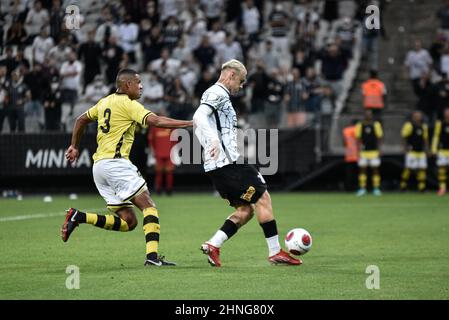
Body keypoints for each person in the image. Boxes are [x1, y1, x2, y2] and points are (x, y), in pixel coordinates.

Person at [61, 69, 193, 267]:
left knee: (129, 222)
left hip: (99, 168)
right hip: (116, 164)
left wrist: (74, 146)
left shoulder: (104, 102)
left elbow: (81, 120)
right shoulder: (129, 104)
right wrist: (191, 123)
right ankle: (152, 258)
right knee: (149, 206)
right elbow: (156, 121)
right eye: (138, 82)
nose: (141, 86)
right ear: (126, 85)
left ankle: (78, 216)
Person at [192, 59, 301, 267]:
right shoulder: (218, 92)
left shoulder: (215, 95)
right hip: (228, 164)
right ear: (231, 75)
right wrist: (213, 140)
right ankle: (275, 252)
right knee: (263, 197)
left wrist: (210, 138)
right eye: (240, 81)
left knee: (246, 210)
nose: (241, 86)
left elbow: (201, 120)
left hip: (218, 166)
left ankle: (213, 245)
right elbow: (199, 116)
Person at [355, 109, 383, 196]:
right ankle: (362, 188)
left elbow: (379, 138)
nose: (368, 116)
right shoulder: (360, 125)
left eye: (370, 114)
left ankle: (376, 188)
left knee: (375, 170)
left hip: (374, 151)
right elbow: (358, 139)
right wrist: (358, 150)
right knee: (363, 170)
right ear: (364, 115)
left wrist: (380, 149)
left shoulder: (376, 124)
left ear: (372, 115)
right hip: (364, 152)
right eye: (366, 114)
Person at [400, 110, 429, 192]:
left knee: (422, 168)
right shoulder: (409, 125)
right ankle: (403, 186)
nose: (418, 117)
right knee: (409, 168)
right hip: (411, 151)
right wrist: (404, 147)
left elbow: (425, 139)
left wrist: (427, 149)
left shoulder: (424, 126)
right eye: (416, 116)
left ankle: (421, 187)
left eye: (419, 116)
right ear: (413, 117)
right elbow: (404, 136)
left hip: (421, 151)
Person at [148, 113, 176, 195]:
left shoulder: (171, 127)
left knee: (169, 173)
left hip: (169, 154)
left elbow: (175, 141)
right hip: (158, 154)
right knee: (159, 173)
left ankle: (169, 190)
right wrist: (152, 151)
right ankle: (158, 190)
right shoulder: (154, 127)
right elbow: (150, 140)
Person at [431, 108, 449, 196]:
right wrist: (434, 149)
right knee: (442, 169)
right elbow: (436, 136)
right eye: (446, 113)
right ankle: (442, 188)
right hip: (443, 150)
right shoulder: (440, 123)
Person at [342, 119, 359, 192]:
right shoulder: (357, 130)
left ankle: (348, 188)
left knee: (349, 172)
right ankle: (357, 187)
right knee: (357, 172)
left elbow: (344, 142)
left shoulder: (346, 130)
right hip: (357, 154)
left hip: (349, 153)